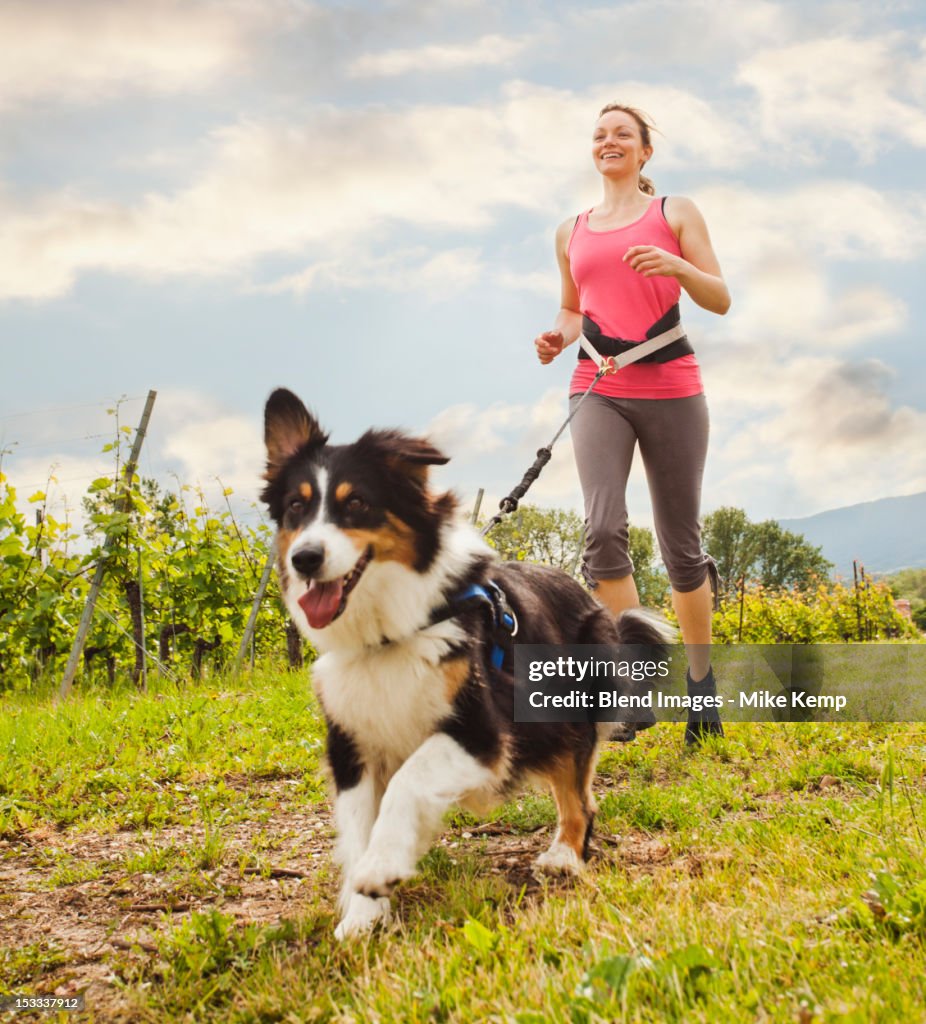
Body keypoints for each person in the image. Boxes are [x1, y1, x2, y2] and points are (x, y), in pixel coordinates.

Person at [534, 103, 731, 745]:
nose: (608, 141)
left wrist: (677, 266)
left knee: (681, 543)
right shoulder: (571, 230)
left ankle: (701, 690)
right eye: (599, 135)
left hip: (671, 383)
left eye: (622, 134)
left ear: (645, 151)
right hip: (597, 385)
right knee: (601, 528)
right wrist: (557, 337)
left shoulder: (675, 212)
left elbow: (720, 297)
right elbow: (572, 309)